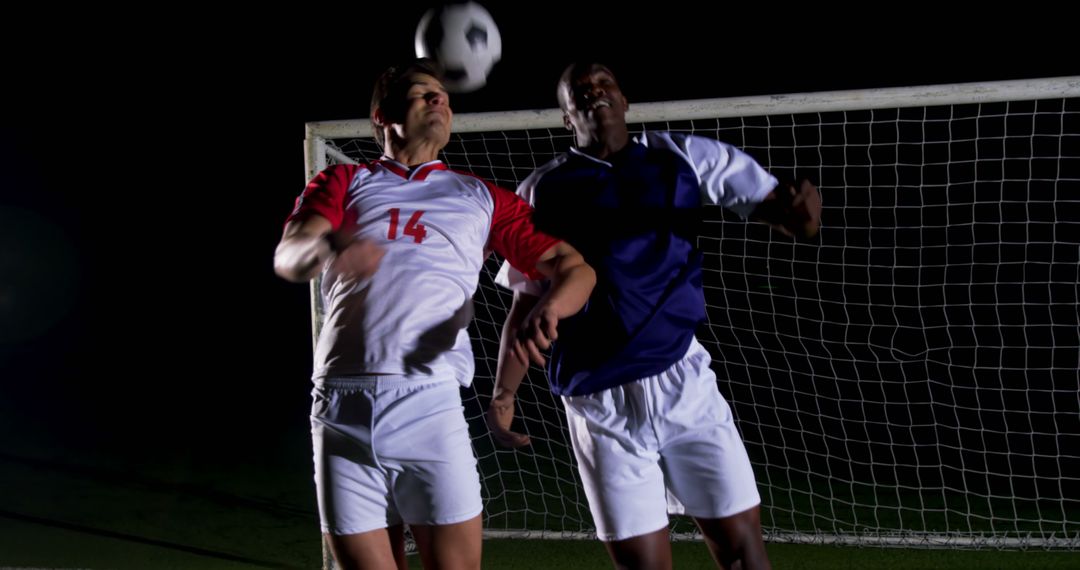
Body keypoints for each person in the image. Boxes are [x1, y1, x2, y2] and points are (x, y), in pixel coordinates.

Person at [487, 62, 821, 570]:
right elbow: (526, 302)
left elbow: (777, 208)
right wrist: (504, 394)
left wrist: (799, 216)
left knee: (745, 556)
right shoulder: (542, 189)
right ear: (565, 115)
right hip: (597, 402)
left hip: (683, 383)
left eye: (605, 84)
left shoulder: (682, 156)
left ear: (624, 101)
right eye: (580, 91)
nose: (595, 93)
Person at [274, 58, 595, 570]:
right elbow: (289, 256)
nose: (439, 100)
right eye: (422, 93)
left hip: (429, 404)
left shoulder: (481, 197)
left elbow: (574, 268)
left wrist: (551, 307)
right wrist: (329, 243)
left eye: (443, 94)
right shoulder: (345, 180)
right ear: (383, 115)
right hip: (339, 409)